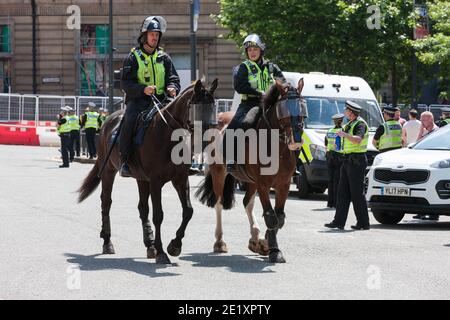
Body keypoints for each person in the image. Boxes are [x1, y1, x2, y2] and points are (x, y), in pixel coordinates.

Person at [119, 16, 180, 177]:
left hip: (162, 100)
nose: (155, 37)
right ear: (144, 36)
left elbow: (174, 78)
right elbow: (125, 83)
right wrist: (142, 89)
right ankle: (125, 160)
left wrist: (172, 87)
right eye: (152, 34)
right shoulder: (133, 57)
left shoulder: (164, 57)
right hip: (140, 101)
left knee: (180, 121)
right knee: (129, 120)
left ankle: (183, 160)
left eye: (157, 35)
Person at [225, 34, 286, 171]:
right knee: (238, 125)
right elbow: (239, 86)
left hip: (271, 104)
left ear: (261, 50)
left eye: (255, 49)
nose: (252, 52)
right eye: (249, 50)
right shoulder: (243, 67)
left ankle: (295, 162)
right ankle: (232, 158)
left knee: (291, 124)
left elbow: (283, 82)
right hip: (250, 104)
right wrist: (260, 93)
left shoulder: (272, 67)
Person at [324, 100, 370, 230]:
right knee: (342, 192)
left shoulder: (360, 124)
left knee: (356, 194)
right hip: (346, 160)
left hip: (357, 161)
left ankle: (363, 223)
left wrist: (344, 134)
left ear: (351, 112)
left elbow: (358, 140)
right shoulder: (349, 124)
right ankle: (338, 222)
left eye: (346, 110)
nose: (345, 112)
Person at [413, 111, 439, 221]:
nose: (422, 122)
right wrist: (420, 131)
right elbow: (417, 144)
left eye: (424, 120)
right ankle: (421, 212)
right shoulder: (424, 131)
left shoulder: (437, 131)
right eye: (421, 119)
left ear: (431, 120)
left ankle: (434, 213)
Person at [324, 113, 344, 208]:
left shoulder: (329, 131)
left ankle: (330, 202)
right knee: (338, 181)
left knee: (330, 181)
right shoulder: (343, 131)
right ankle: (336, 203)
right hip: (339, 157)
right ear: (342, 121)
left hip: (329, 157)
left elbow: (326, 144)